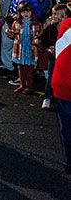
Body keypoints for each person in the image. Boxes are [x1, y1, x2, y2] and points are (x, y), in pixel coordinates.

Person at [39, 3, 70, 110]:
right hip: (53, 58)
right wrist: (48, 48)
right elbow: (41, 40)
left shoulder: (68, 29)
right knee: (51, 78)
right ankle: (47, 97)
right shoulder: (51, 28)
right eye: (53, 14)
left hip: (66, 59)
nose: (54, 16)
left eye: (57, 14)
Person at [6, 3, 41, 94]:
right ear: (20, 13)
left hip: (31, 48)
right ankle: (22, 85)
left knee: (30, 68)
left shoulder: (36, 24)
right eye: (23, 11)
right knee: (21, 68)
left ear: (31, 12)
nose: (25, 13)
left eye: (28, 11)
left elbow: (40, 35)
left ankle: (29, 86)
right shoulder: (17, 23)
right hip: (20, 48)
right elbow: (14, 35)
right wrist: (10, 33)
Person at [54, 16, 71, 174]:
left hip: (62, 86)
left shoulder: (66, 24)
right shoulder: (66, 25)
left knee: (67, 128)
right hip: (65, 86)